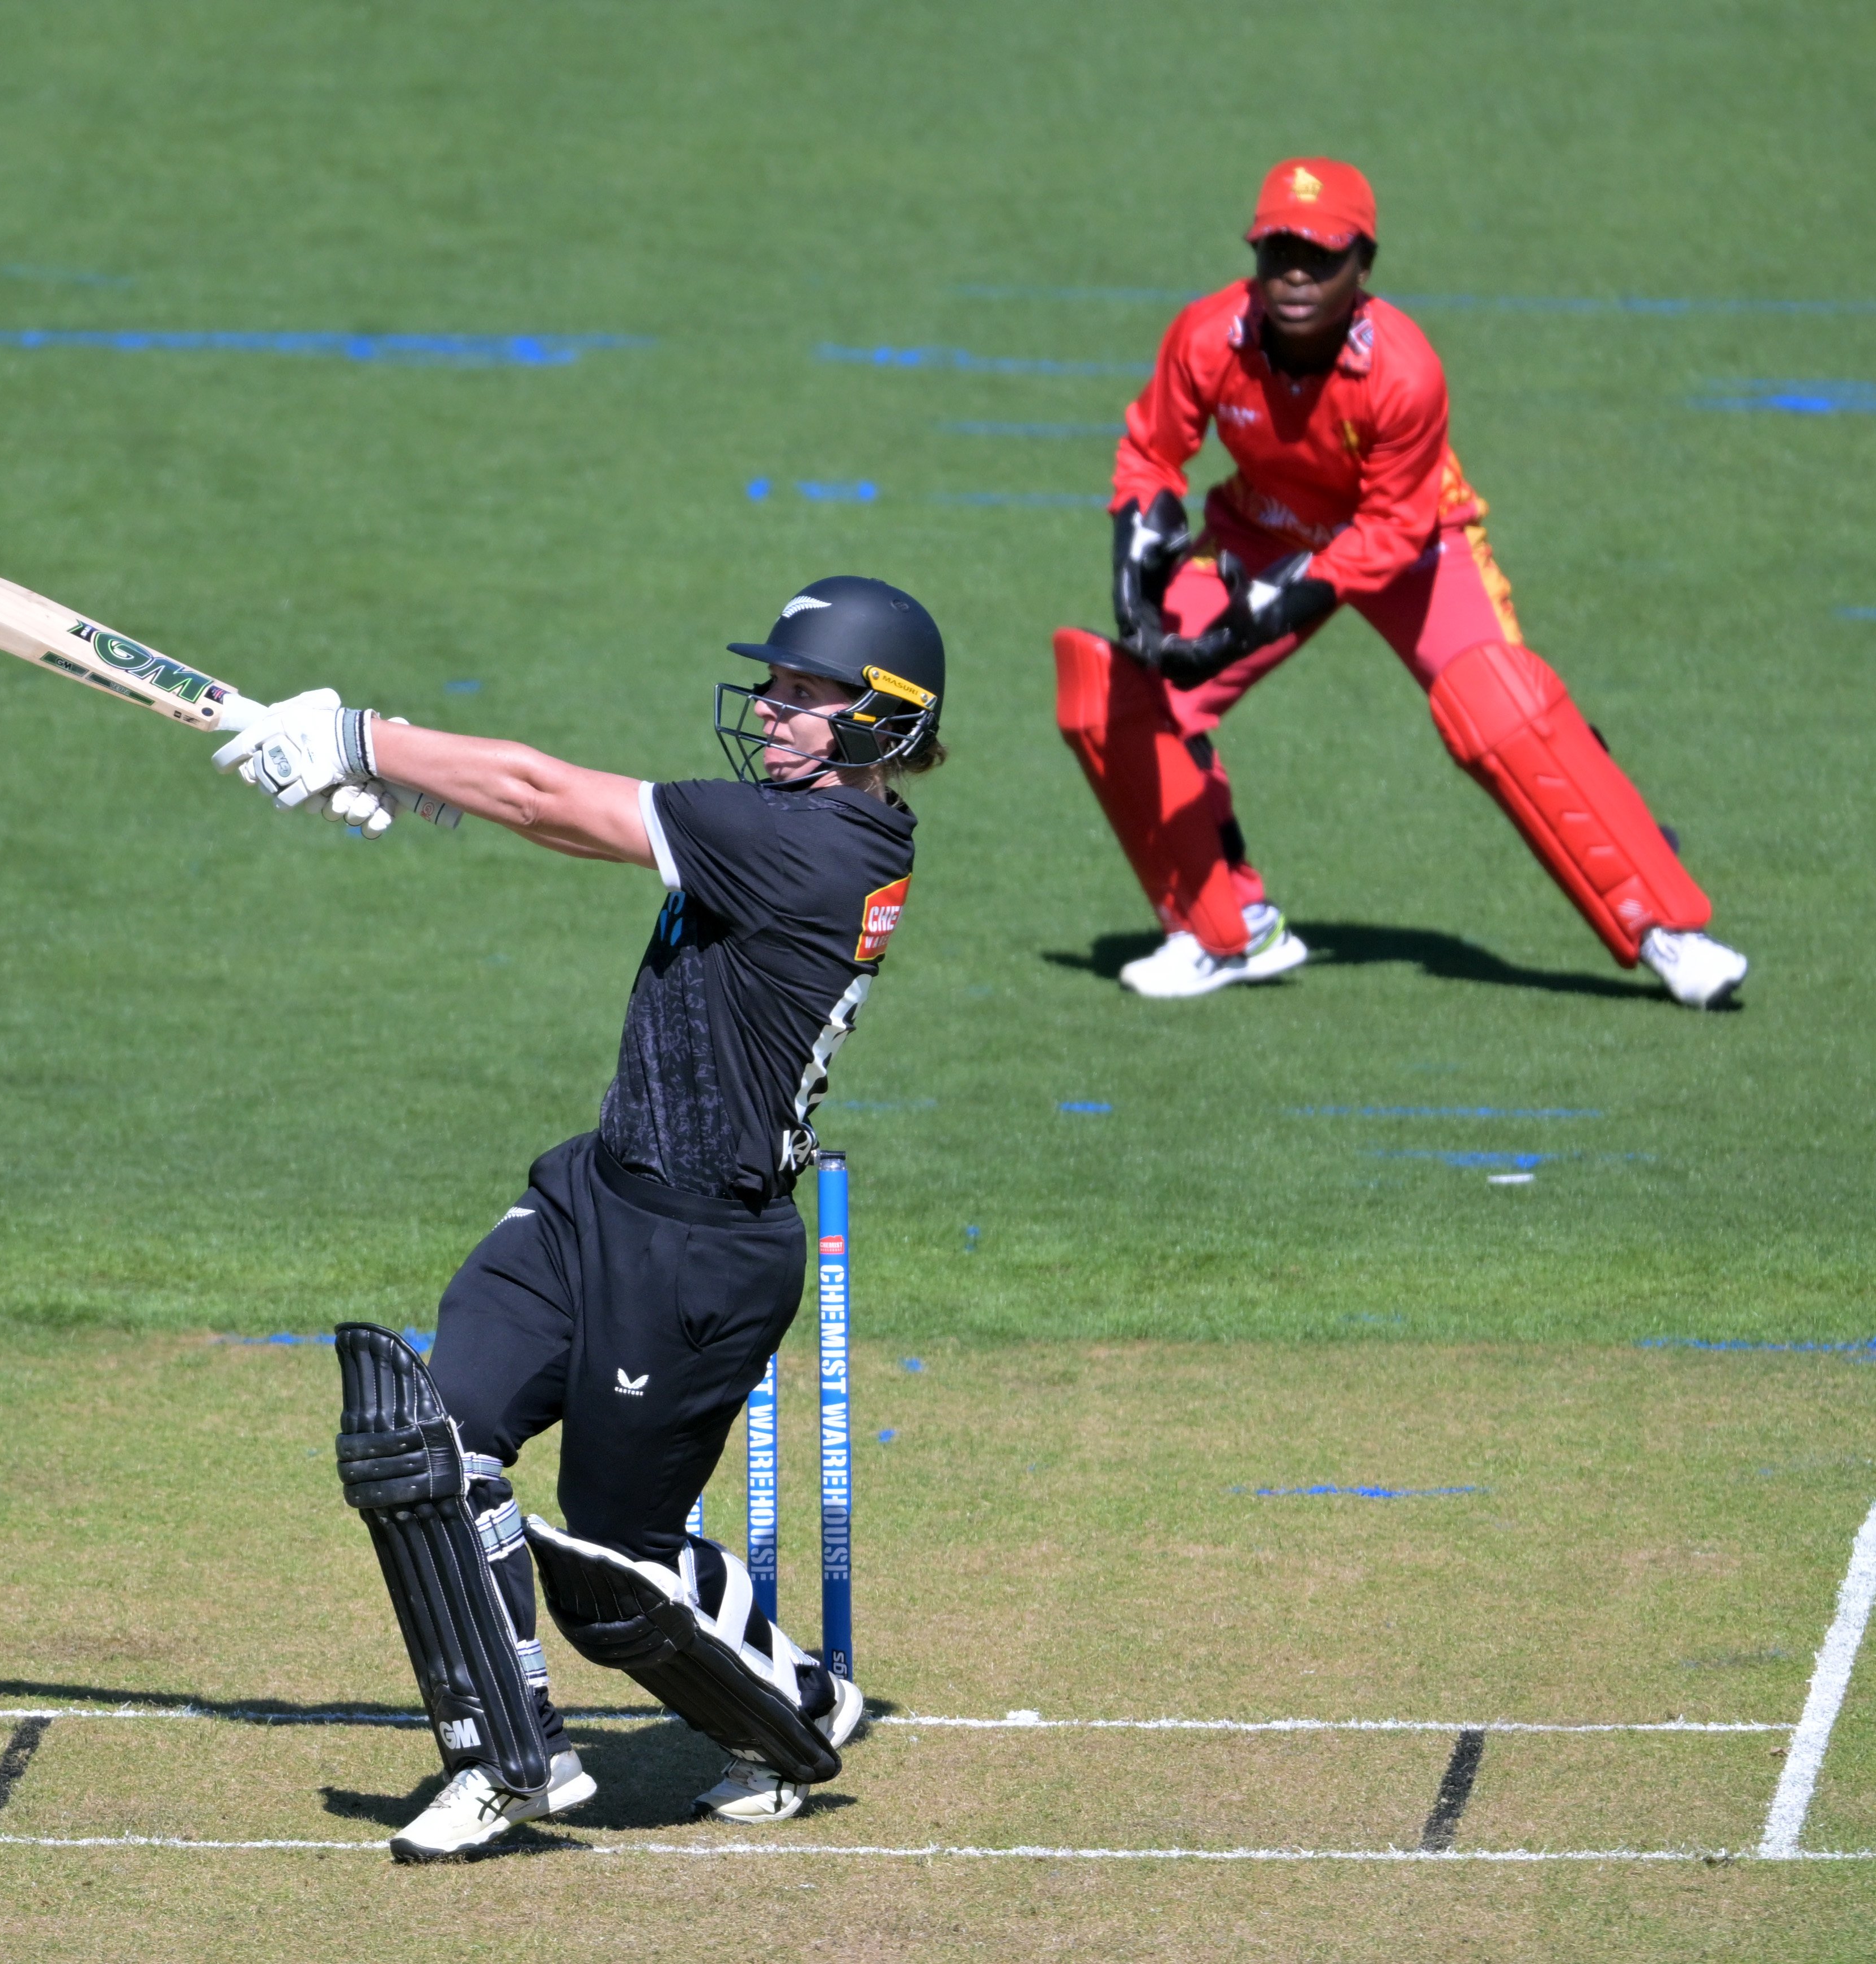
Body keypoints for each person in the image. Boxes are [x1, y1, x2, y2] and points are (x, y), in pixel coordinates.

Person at [214, 578, 943, 1860]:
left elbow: (555, 793)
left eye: (803, 695)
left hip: (701, 1258)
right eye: (771, 684)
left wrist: (362, 737)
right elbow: (570, 823)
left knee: (613, 1578)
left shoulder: (812, 849)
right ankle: (510, 1758)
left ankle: (790, 1713)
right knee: (421, 1441)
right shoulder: (797, 823)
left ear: (884, 722)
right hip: (593, 1195)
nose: (770, 708)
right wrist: (442, 784)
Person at [1057, 156, 1748, 1007]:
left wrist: (1257, 619)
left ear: (1365, 268)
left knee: (1504, 712)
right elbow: (1151, 452)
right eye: (1279, 252)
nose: (1296, 274)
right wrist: (1135, 571)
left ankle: (1670, 931)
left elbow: (1384, 533)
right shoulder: (1208, 335)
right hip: (1261, 528)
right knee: (1135, 697)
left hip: (1417, 544)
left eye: (1322, 254)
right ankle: (1228, 930)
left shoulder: (1404, 371)